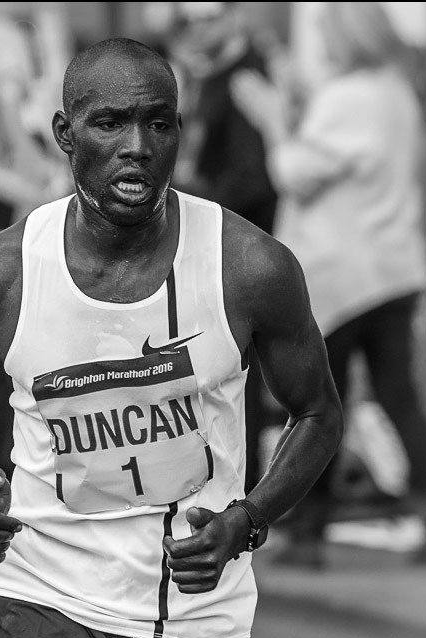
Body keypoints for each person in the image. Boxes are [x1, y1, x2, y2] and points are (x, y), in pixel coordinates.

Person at [0, 38, 342, 638]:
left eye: (158, 124)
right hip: (46, 594)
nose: (137, 148)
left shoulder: (250, 267)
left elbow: (318, 413)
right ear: (65, 133)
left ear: (179, 131)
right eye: (110, 124)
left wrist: (248, 518)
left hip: (194, 613)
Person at [231, 2, 426, 566]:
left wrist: (270, 120)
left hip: (343, 273)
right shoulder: (396, 93)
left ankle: (308, 530)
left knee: (317, 403)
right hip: (392, 266)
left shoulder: (349, 97)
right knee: (398, 396)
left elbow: (295, 172)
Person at [169, 1, 282, 494]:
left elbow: (255, 178)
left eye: (208, 15)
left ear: (234, 17)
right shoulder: (208, 75)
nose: (198, 27)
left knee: (238, 375)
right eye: (188, 19)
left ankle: (244, 500)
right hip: (213, 249)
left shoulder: (244, 79)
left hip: (234, 254)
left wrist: (196, 207)